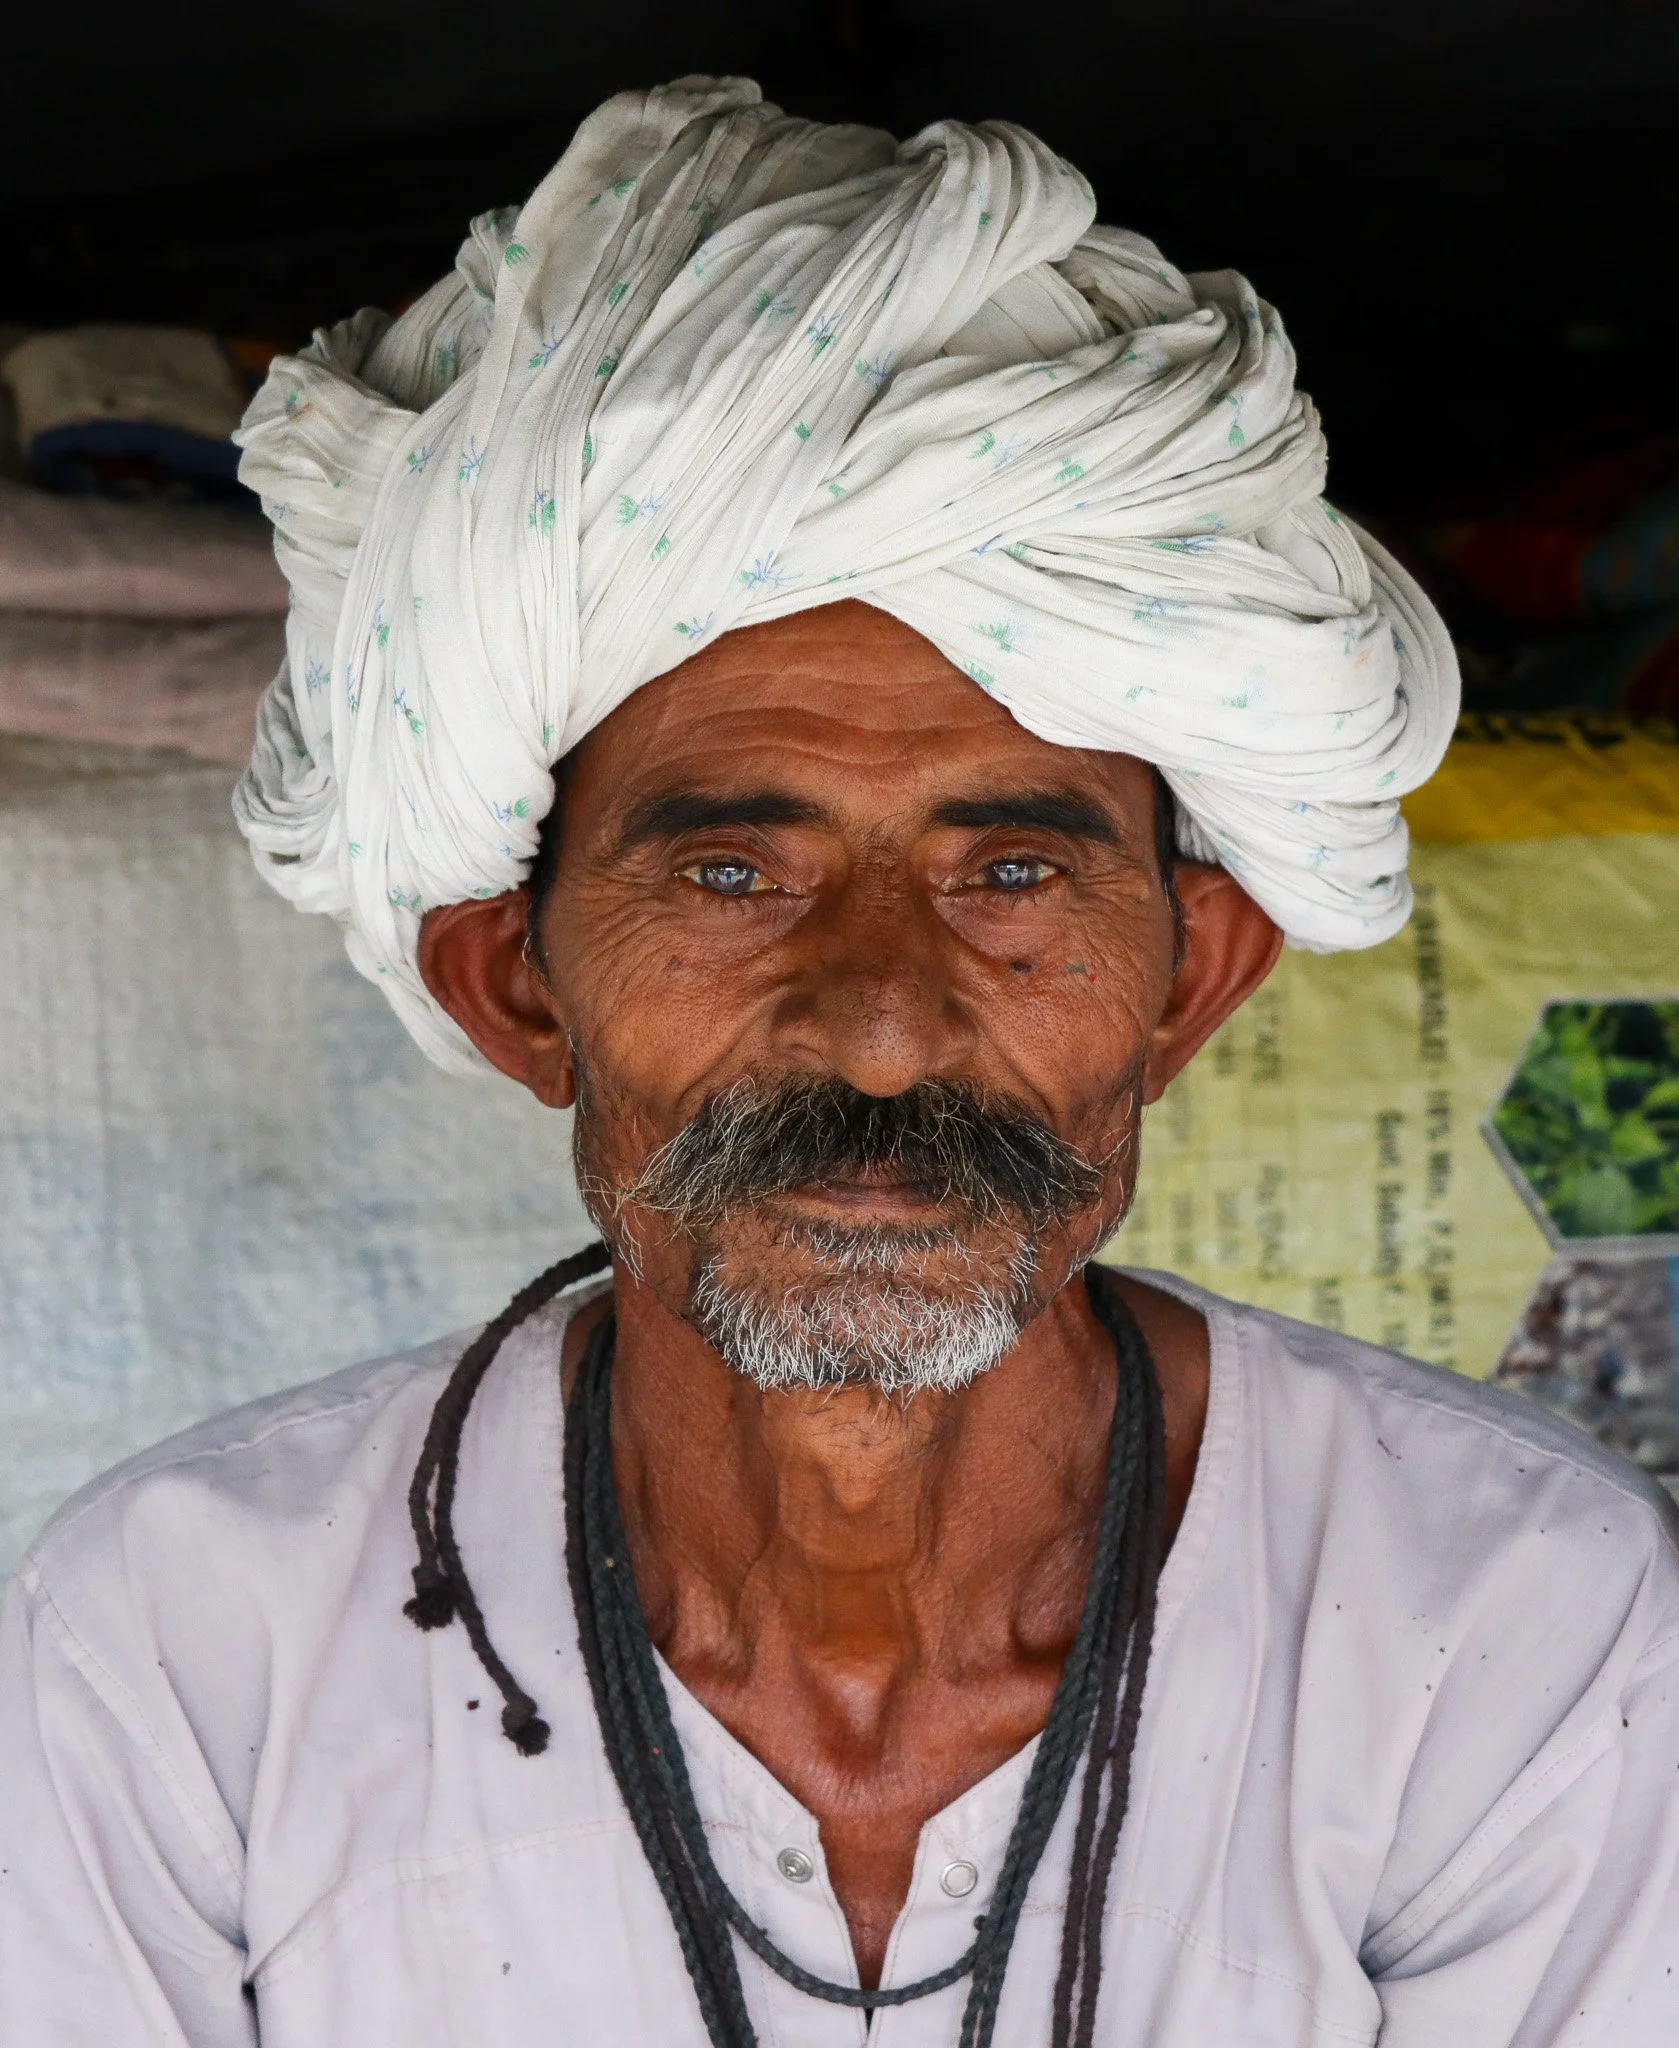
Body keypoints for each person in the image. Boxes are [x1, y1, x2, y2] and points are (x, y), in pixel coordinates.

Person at [2, 77, 1675, 2048]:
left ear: (1186, 985)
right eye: (730, 867)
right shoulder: (182, 1644)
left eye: (1009, 872)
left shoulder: (1507, 1618)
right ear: (511, 990)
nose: (879, 1024)